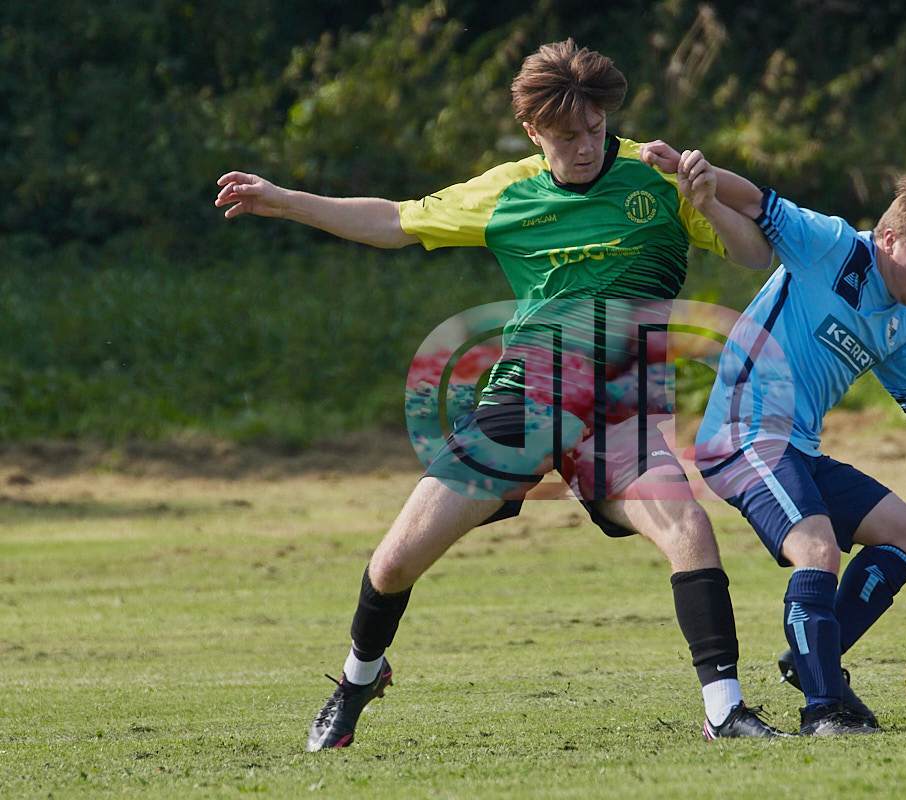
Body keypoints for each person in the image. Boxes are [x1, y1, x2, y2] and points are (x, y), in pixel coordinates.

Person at [214, 40, 782, 750]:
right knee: (394, 562)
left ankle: (725, 710)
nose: (585, 146)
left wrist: (708, 200)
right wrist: (284, 201)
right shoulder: (509, 191)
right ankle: (359, 678)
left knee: (688, 528)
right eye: (566, 136)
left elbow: (755, 253)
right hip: (528, 397)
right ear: (532, 132)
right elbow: (395, 221)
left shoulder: (657, 173)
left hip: (622, 405)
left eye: (595, 128)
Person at [639, 143, 906, 735]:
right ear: (889, 238)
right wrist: (702, 175)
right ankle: (823, 710)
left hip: (797, 449)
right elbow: (757, 202)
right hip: (742, 437)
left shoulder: (903, 322)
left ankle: (811, 659)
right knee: (817, 548)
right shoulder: (832, 246)